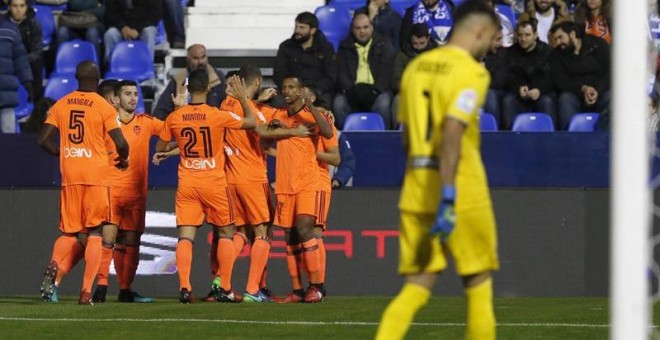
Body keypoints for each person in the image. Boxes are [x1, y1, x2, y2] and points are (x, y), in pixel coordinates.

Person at [375, 1, 499, 339]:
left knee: (415, 288)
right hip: (461, 191)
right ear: (480, 31)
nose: (491, 46)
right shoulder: (473, 72)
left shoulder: (416, 68)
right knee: (478, 284)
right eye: (491, 38)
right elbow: (452, 131)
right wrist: (448, 193)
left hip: (416, 191)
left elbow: (406, 138)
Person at [154, 71, 256, 304]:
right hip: (214, 184)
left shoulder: (176, 116)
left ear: (188, 90)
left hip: (188, 183)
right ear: (209, 89)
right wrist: (243, 99)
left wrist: (178, 112)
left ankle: (184, 287)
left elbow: (161, 144)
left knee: (185, 237)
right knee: (226, 233)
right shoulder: (218, 115)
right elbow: (251, 123)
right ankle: (226, 288)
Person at [37, 61, 129, 305]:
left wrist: (59, 152)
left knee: (69, 231)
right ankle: (86, 292)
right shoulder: (103, 106)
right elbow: (121, 142)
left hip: (71, 176)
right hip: (96, 178)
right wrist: (124, 160)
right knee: (95, 232)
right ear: (97, 78)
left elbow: (42, 139)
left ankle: (54, 265)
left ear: (76, 77)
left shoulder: (62, 103)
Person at [259, 75, 334, 303]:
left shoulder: (312, 116)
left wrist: (312, 106)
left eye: (292, 87)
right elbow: (262, 139)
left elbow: (329, 133)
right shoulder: (278, 115)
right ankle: (298, 289)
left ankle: (317, 285)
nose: (288, 91)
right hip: (284, 184)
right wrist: (275, 130)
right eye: (284, 88)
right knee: (290, 235)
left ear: (301, 90)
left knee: (304, 227)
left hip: (308, 183)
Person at [206, 64, 276, 303]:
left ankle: (222, 280)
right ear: (256, 83)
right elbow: (261, 128)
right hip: (253, 177)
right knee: (262, 232)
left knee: (241, 232)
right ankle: (252, 290)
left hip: (230, 177)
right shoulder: (250, 110)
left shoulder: (225, 105)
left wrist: (257, 102)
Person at [91, 80, 163, 303]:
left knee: (131, 241)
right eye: (128, 94)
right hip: (111, 189)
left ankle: (125, 289)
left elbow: (174, 130)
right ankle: (102, 284)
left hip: (136, 194)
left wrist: (180, 108)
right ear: (117, 98)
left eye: (135, 94)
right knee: (109, 236)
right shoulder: (105, 123)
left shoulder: (146, 122)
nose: (133, 98)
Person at [334, 13, 395, 129]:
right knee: (339, 103)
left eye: (365, 27)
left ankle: (385, 138)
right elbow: (340, 72)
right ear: (352, 30)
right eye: (358, 28)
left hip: (377, 90)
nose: (362, 31)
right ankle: (345, 140)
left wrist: (376, 91)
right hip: (352, 89)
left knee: (383, 104)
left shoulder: (384, 44)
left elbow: (387, 71)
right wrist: (349, 91)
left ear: (372, 27)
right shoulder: (344, 47)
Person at [550, 21, 610, 129]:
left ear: (572, 34)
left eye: (560, 37)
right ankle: (569, 140)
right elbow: (560, 80)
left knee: (612, 98)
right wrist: (583, 89)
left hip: (600, 91)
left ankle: (606, 139)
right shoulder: (556, 54)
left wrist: (597, 89)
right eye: (555, 39)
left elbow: (610, 72)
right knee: (565, 99)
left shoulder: (598, 44)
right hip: (575, 94)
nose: (558, 42)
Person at [273, 12, 337, 108]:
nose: (297, 30)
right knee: (277, 102)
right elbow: (279, 73)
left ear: (313, 30)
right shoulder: (286, 47)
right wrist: (292, 89)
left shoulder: (326, 48)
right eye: (296, 27)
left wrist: (313, 91)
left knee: (324, 110)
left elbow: (331, 76)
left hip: (318, 92)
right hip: (291, 91)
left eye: (302, 28)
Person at [501, 19, 555, 129]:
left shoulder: (547, 51)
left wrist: (539, 89)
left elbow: (552, 77)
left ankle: (551, 138)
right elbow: (506, 77)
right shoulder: (510, 52)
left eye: (527, 35)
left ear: (535, 35)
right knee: (508, 101)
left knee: (547, 102)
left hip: (541, 93)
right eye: (520, 35)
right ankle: (509, 139)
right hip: (518, 94)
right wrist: (518, 88)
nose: (523, 39)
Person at [153, 44, 227, 120]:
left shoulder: (219, 78)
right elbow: (160, 112)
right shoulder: (178, 80)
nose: (200, 62)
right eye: (196, 58)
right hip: (184, 123)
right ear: (188, 59)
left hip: (213, 123)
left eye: (203, 57)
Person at [392, 23, 437, 128]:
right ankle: (397, 135)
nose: (418, 47)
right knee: (397, 101)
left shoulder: (437, 55)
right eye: (415, 43)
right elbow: (395, 82)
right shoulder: (401, 56)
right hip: (408, 92)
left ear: (428, 39)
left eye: (422, 43)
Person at [0, 14, 33, 133]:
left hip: (6, 96)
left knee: (9, 137)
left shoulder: (10, 30)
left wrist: (28, 82)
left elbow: (20, 60)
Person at [103, 0, 162, 64]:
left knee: (149, 32)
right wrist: (123, 27)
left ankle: (147, 66)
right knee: (110, 34)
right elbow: (110, 13)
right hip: (122, 28)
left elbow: (155, 13)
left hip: (143, 26)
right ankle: (112, 67)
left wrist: (137, 29)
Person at [6, 0, 43, 102]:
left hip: (28, 62)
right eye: (15, 6)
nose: (19, 10)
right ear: (9, 7)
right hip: (7, 62)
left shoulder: (34, 24)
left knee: (37, 62)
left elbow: (37, 51)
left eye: (22, 6)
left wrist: (21, 61)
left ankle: (35, 102)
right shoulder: (2, 24)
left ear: (27, 7)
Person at [482, 27, 508, 125]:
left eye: (501, 39)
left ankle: (493, 131)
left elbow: (498, 82)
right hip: (473, 90)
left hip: (496, 90)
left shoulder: (502, 54)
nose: (500, 44)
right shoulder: (473, 53)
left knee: (489, 94)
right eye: (497, 40)